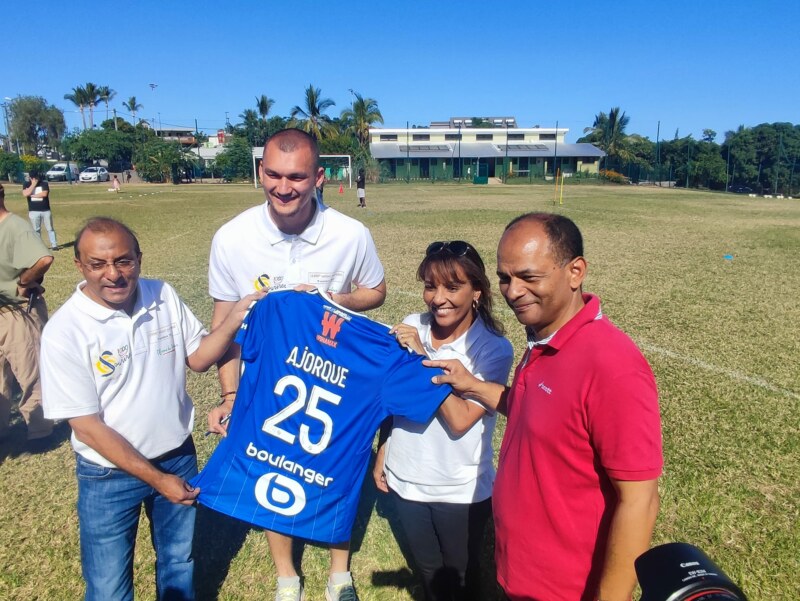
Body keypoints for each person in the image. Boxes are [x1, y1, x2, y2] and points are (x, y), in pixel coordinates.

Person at [426, 213, 663, 601]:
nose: (513, 291)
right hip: (517, 570)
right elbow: (529, 410)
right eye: (505, 277)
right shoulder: (543, 340)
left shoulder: (612, 364)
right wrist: (470, 385)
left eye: (529, 277)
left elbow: (641, 500)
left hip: (563, 589)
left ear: (575, 272)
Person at [40, 217, 263, 601]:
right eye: (98, 264)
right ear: (79, 265)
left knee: (179, 563)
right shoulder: (65, 331)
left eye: (124, 261)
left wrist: (237, 316)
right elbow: (88, 427)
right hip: (107, 475)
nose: (113, 274)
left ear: (139, 259)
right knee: (109, 586)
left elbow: (197, 357)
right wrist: (158, 480)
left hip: (177, 455)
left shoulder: (161, 295)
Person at [207, 128, 387, 601]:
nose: (284, 187)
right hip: (266, 383)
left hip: (331, 379)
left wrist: (331, 299)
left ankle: (338, 574)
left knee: (337, 465)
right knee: (273, 466)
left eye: (297, 177)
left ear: (320, 178)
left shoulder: (351, 234)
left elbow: (377, 291)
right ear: (260, 172)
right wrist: (230, 395)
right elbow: (223, 323)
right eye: (274, 174)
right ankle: (287, 577)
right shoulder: (232, 238)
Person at [373, 240, 513, 601]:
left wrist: (421, 359)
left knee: (463, 575)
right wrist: (383, 452)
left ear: (477, 291)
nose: (438, 298)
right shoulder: (410, 325)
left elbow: (462, 419)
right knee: (431, 571)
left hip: (459, 487)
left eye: (453, 287)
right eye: (430, 286)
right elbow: (394, 401)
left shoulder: (492, 348)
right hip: (407, 477)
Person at [0, 182, 54, 443]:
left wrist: (22, 283)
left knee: (31, 372)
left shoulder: (15, 227)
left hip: (18, 313)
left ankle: (40, 431)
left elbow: (43, 259)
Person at [22, 171, 58, 250]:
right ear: (30, 178)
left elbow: (44, 194)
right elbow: (25, 194)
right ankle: (39, 246)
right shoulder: (26, 184)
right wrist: (33, 185)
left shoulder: (44, 184)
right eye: (33, 178)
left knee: (50, 228)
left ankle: (54, 245)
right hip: (33, 211)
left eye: (36, 178)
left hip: (45, 210)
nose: (35, 179)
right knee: (36, 229)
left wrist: (31, 195)